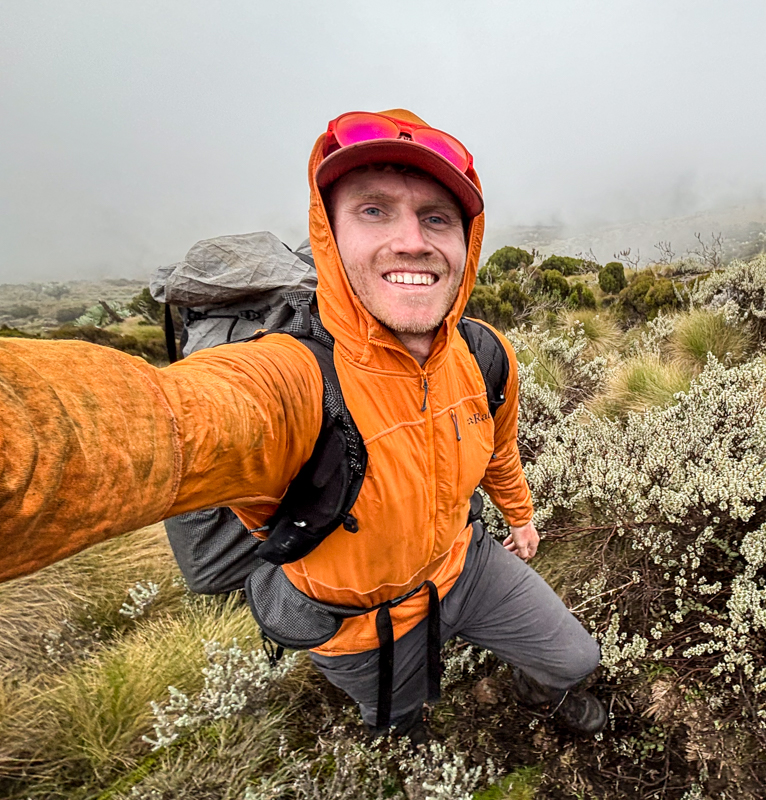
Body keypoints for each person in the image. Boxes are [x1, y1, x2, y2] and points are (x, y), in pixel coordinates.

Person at [0, 108, 606, 736]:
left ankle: (540, 694)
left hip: (465, 566)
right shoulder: (290, 379)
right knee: (397, 718)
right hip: (356, 627)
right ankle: (404, 732)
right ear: (330, 237)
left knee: (574, 657)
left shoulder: (484, 355)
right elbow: (149, 423)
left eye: (436, 217)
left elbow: (499, 448)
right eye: (373, 210)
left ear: (465, 243)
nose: (412, 240)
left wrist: (523, 517)